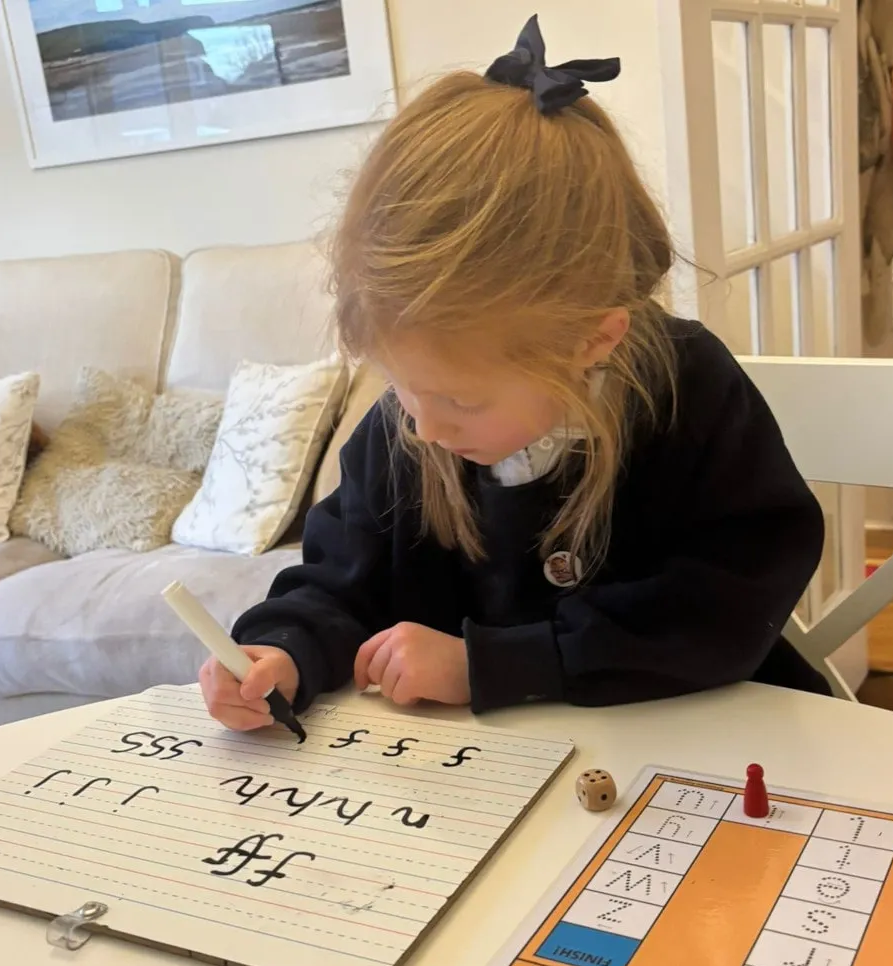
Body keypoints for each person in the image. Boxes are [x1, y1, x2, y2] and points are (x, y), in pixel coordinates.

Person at [200, 15, 830, 732]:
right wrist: (283, 649)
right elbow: (340, 583)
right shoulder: (407, 430)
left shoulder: (687, 390)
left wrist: (493, 665)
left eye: (460, 400)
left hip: (702, 748)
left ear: (593, 341)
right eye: (400, 385)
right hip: (492, 789)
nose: (425, 426)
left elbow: (726, 608)